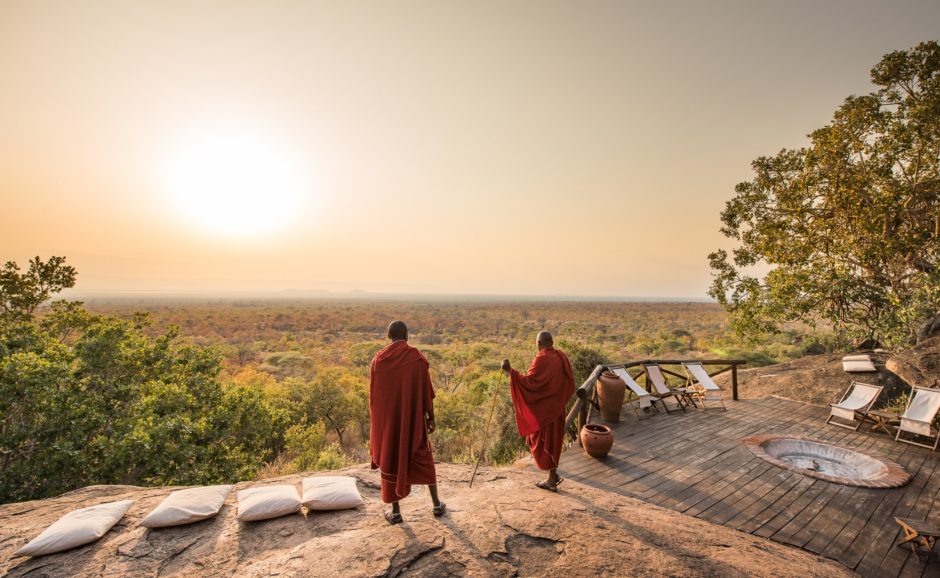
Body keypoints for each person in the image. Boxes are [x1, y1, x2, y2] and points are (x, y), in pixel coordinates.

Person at [369, 320, 445, 524]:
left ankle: (395, 513)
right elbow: (426, 392)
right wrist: (431, 417)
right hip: (413, 424)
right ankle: (437, 505)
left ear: (388, 336)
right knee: (424, 458)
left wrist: (380, 429)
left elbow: (375, 401)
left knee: (392, 458)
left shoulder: (377, 361)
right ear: (407, 335)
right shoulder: (415, 357)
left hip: (389, 427)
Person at [501, 331, 575, 492]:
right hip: (557, 408)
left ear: (539, 343)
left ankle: (550, 481)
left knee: (546, 441)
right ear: (552, 342)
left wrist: (510, 371)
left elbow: (529, 384)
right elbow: (567, 381)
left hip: (545, 411)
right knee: (553, 442)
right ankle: (552, 476)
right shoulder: (561, 356)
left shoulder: (541, 359)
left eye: (536, 342)